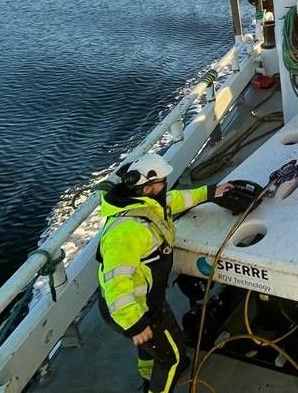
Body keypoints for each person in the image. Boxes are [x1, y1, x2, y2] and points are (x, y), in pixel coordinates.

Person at [97, 152, 231, 392]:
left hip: (148, 302)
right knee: (173, 357)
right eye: (161, 182)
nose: (166, 185)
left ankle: (148, 372)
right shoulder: (126, 231)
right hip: (132, 308)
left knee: (150, 344)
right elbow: (116, 283)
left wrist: (211, 192)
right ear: (147, 188)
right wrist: (135, 324)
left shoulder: (148, 207)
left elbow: (176, 199)